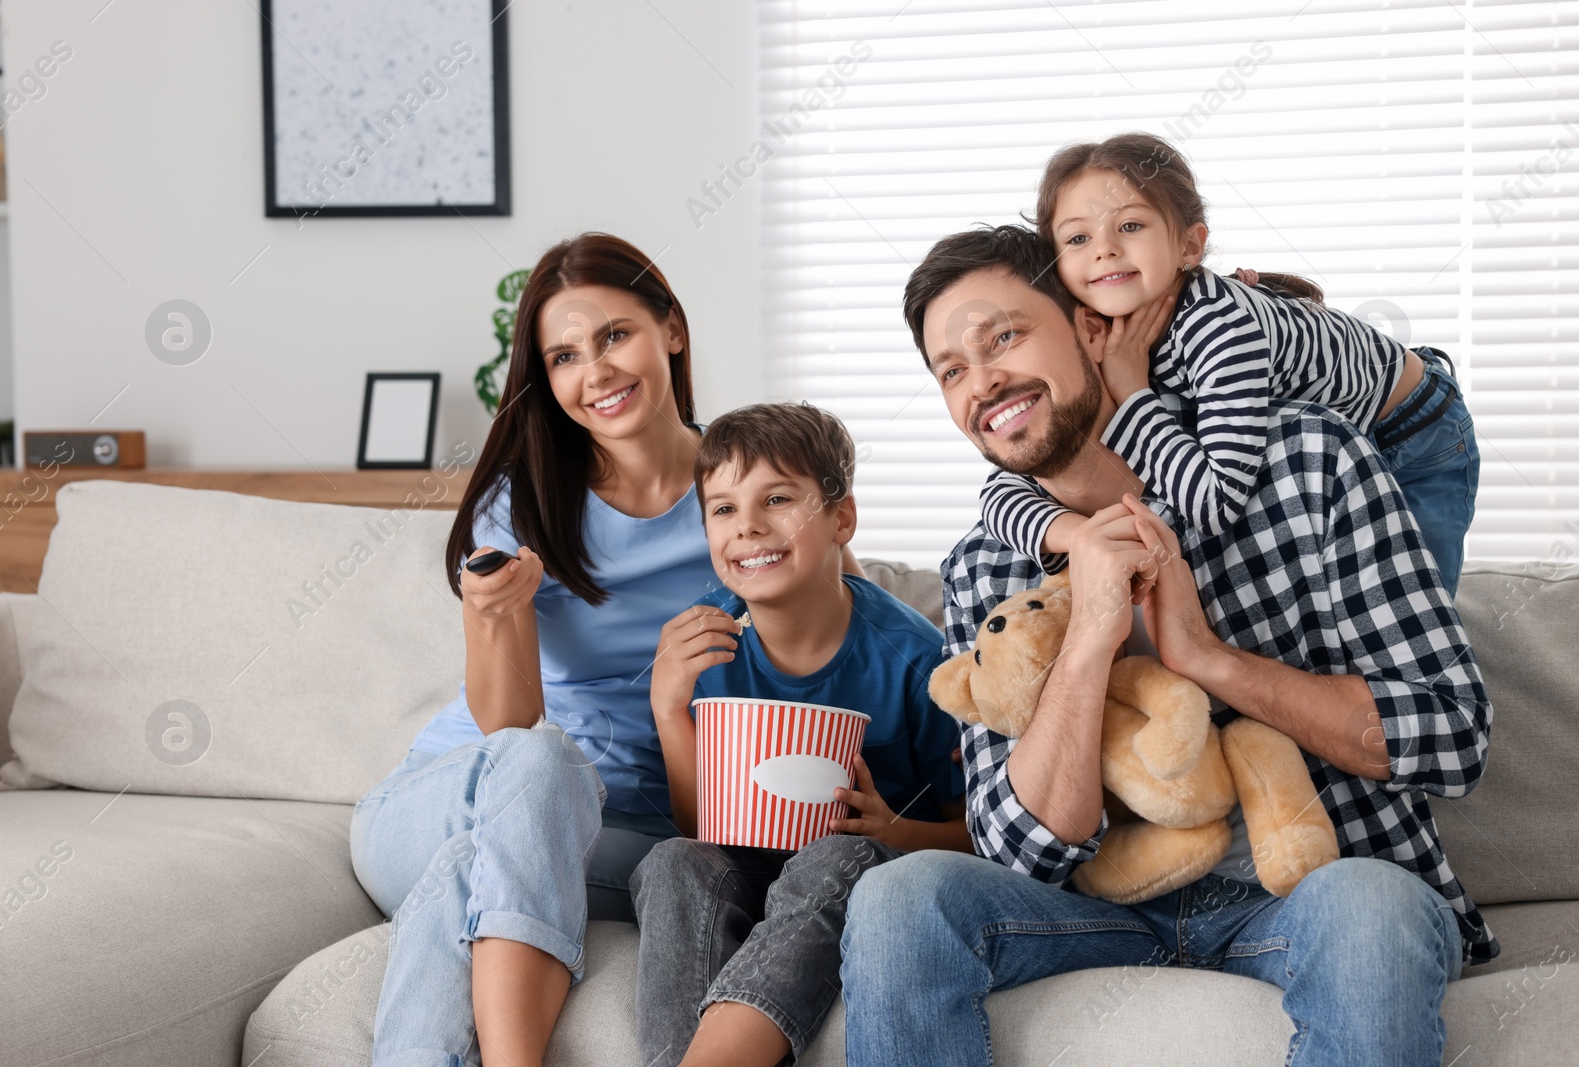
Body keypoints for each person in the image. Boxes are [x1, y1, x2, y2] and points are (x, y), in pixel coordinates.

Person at [838, 226, 1496, 1067]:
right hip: (1097, 910)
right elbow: (1015, 844)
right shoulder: (987, 561)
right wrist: (1087, 642)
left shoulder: (1304, 461)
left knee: (1374, 908)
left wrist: (1208, 659)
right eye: (951, 370)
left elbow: (1451, 737)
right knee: (899, 896)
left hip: (1303, 893)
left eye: (1003, 336)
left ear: (1091, 326)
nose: (982, 381)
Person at [351, 232, 719, 1067]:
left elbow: (841, 625)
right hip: (452, 794)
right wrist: (491, 615)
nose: (595, 373)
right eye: (563, 356)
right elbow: (511, 724)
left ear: (672, 328)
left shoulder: (742, 486)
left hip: (620, 832)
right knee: (544, 761)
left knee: (462, 879)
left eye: (615, 335)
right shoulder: (525, 501)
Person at [978, 132, 1479, 594]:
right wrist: (1078, 535)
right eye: (1077, 238)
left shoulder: (1216, 329)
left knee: (1414, 603)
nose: (1105, 249)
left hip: (1413, 432)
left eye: (1130, 225)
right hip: (1326, 433)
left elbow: (1217, 504)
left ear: (1189, 245)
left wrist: (1132, 393)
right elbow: (1004, 489)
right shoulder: (1100, 333)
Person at [631, 402, 969, 1067]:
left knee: (834, 856)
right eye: (723, 509)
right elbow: (700, 827)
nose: (748, 525)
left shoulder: (915, 660)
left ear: (840, 517)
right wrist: (670, 709)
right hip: (748, 867)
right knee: (670, 859)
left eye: (777, 498)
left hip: (865, 870)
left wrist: (894, 831)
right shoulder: (707, 648)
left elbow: (981, 832)